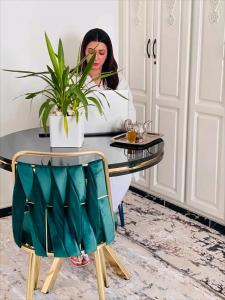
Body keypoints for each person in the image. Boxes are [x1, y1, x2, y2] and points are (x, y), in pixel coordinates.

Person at [70, 28, 136, 267]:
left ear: (107, 54)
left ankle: (90, 234)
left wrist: (125, 124)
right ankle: (89, 237)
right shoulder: (71, 80)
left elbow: (131, 115)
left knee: (121, 175)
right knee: (79, 179)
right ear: (83, 53)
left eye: (101, 52)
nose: (95, 57)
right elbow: (64, 116)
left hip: (112, 145)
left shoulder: (117, 80)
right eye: (90, 51)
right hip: (81, 147)